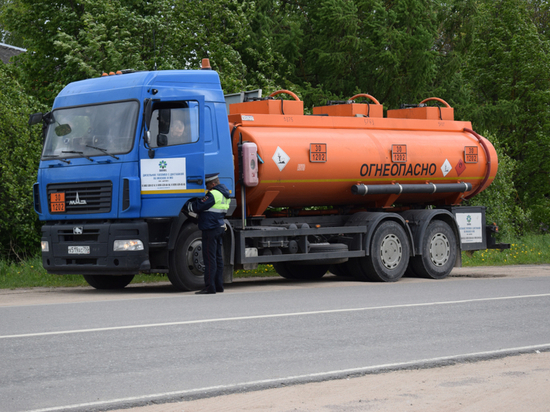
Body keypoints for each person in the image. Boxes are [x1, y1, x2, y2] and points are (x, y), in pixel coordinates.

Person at [188, 173, 231, 294]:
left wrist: (185, 205)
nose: (206, 187)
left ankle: (209, 287)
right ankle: (219, 286)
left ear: (213, 183)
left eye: (207, 184)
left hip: (210, 229)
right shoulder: (225, 194)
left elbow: (197, 206)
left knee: (209, 258)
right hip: (219, 227)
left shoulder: (213, 194)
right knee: (218, 258)